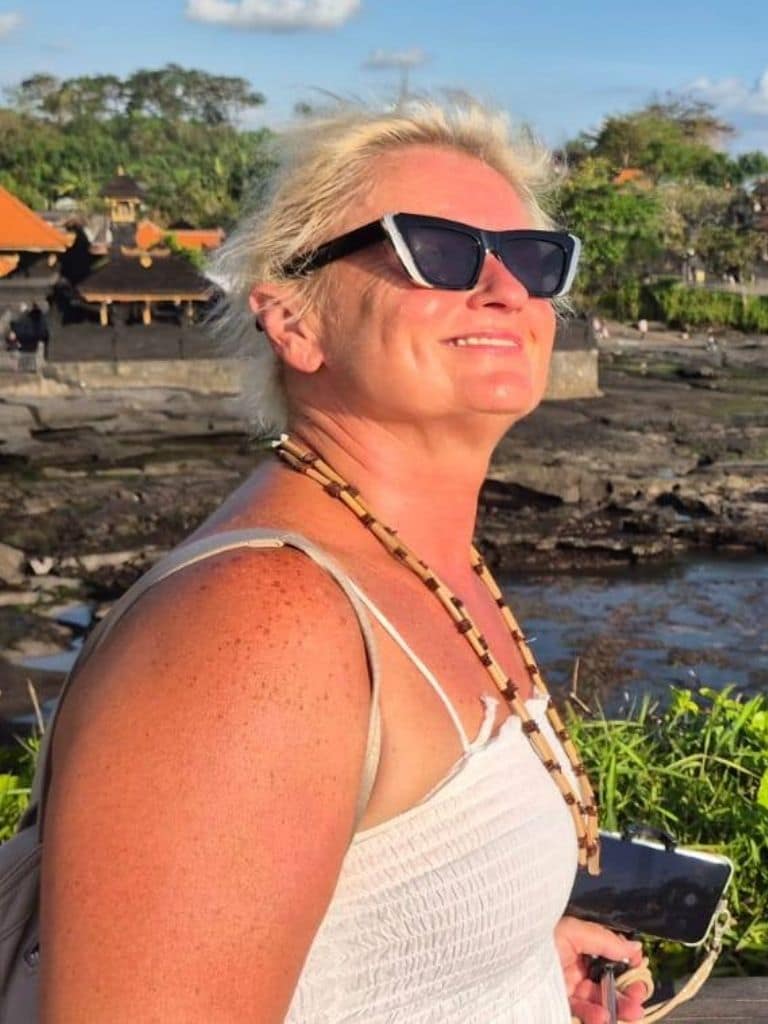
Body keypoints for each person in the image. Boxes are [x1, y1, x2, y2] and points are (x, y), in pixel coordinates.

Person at [40, 101, 649, 1023]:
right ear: (295, 323)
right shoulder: (258, 628)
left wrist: (510, 964)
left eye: (533, 258)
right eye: (435, 251)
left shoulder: (423, 566)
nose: (504, 288)